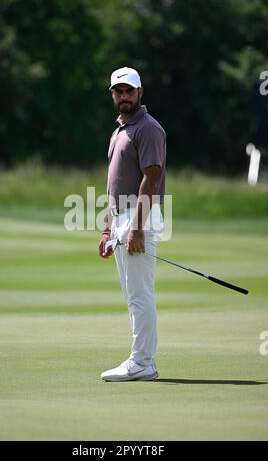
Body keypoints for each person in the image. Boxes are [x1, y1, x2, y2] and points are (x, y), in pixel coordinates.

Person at [98, 67, 167, 382]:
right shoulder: (119, 130)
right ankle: (142, 361)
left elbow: (150, 178)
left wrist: (137, 227)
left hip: (140, 216)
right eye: (118, 91)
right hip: (122, 217)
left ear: (141, 92)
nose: (124, 96)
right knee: (133, 295)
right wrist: (107, 229)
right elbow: (116, 184)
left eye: (129, 91)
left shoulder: (148, 128)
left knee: (140, 295)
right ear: (113, 94)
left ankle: (142, 362)